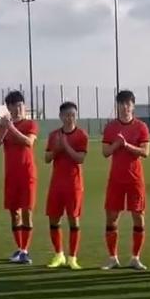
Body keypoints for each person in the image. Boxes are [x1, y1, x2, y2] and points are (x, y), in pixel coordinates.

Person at [101, 90, 150, 271]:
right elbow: (105, 152)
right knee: (112, 217)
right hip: (116, 179)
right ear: (117, 106)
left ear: (133, 106)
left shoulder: (141, 127)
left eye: (128, 104)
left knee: (138, 216)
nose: (125, 107)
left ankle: (135, 257)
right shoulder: (111, 127)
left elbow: (145, 152)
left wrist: (127, 145)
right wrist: (117, 144)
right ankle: (112, 258)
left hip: (135, 179)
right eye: (121, 104)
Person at [0, 90, 38, 264]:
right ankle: (19, 248)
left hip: (27, 174)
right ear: (8, 108)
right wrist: (4, 129)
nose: (18, 109)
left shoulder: (30, 124)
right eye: (14, 106)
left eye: (20, 105)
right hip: (11, 175)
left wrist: (10, 127)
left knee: (27, 211)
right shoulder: (4, 126)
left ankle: (25, 250)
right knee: (14, 212)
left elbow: (28, 142)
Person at [45, 102, 88, 270]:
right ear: (61, 116)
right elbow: (47, 158)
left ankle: (72, 257)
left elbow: (80, 159)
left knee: (73, 219)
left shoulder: (81, 135)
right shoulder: (53, 135)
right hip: (56, 183)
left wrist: (66, 146)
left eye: (73, 115)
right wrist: (57, 148)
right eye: (67, 115)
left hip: (74, 184)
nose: (70, 118)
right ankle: (59, 254)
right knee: (54, 219)